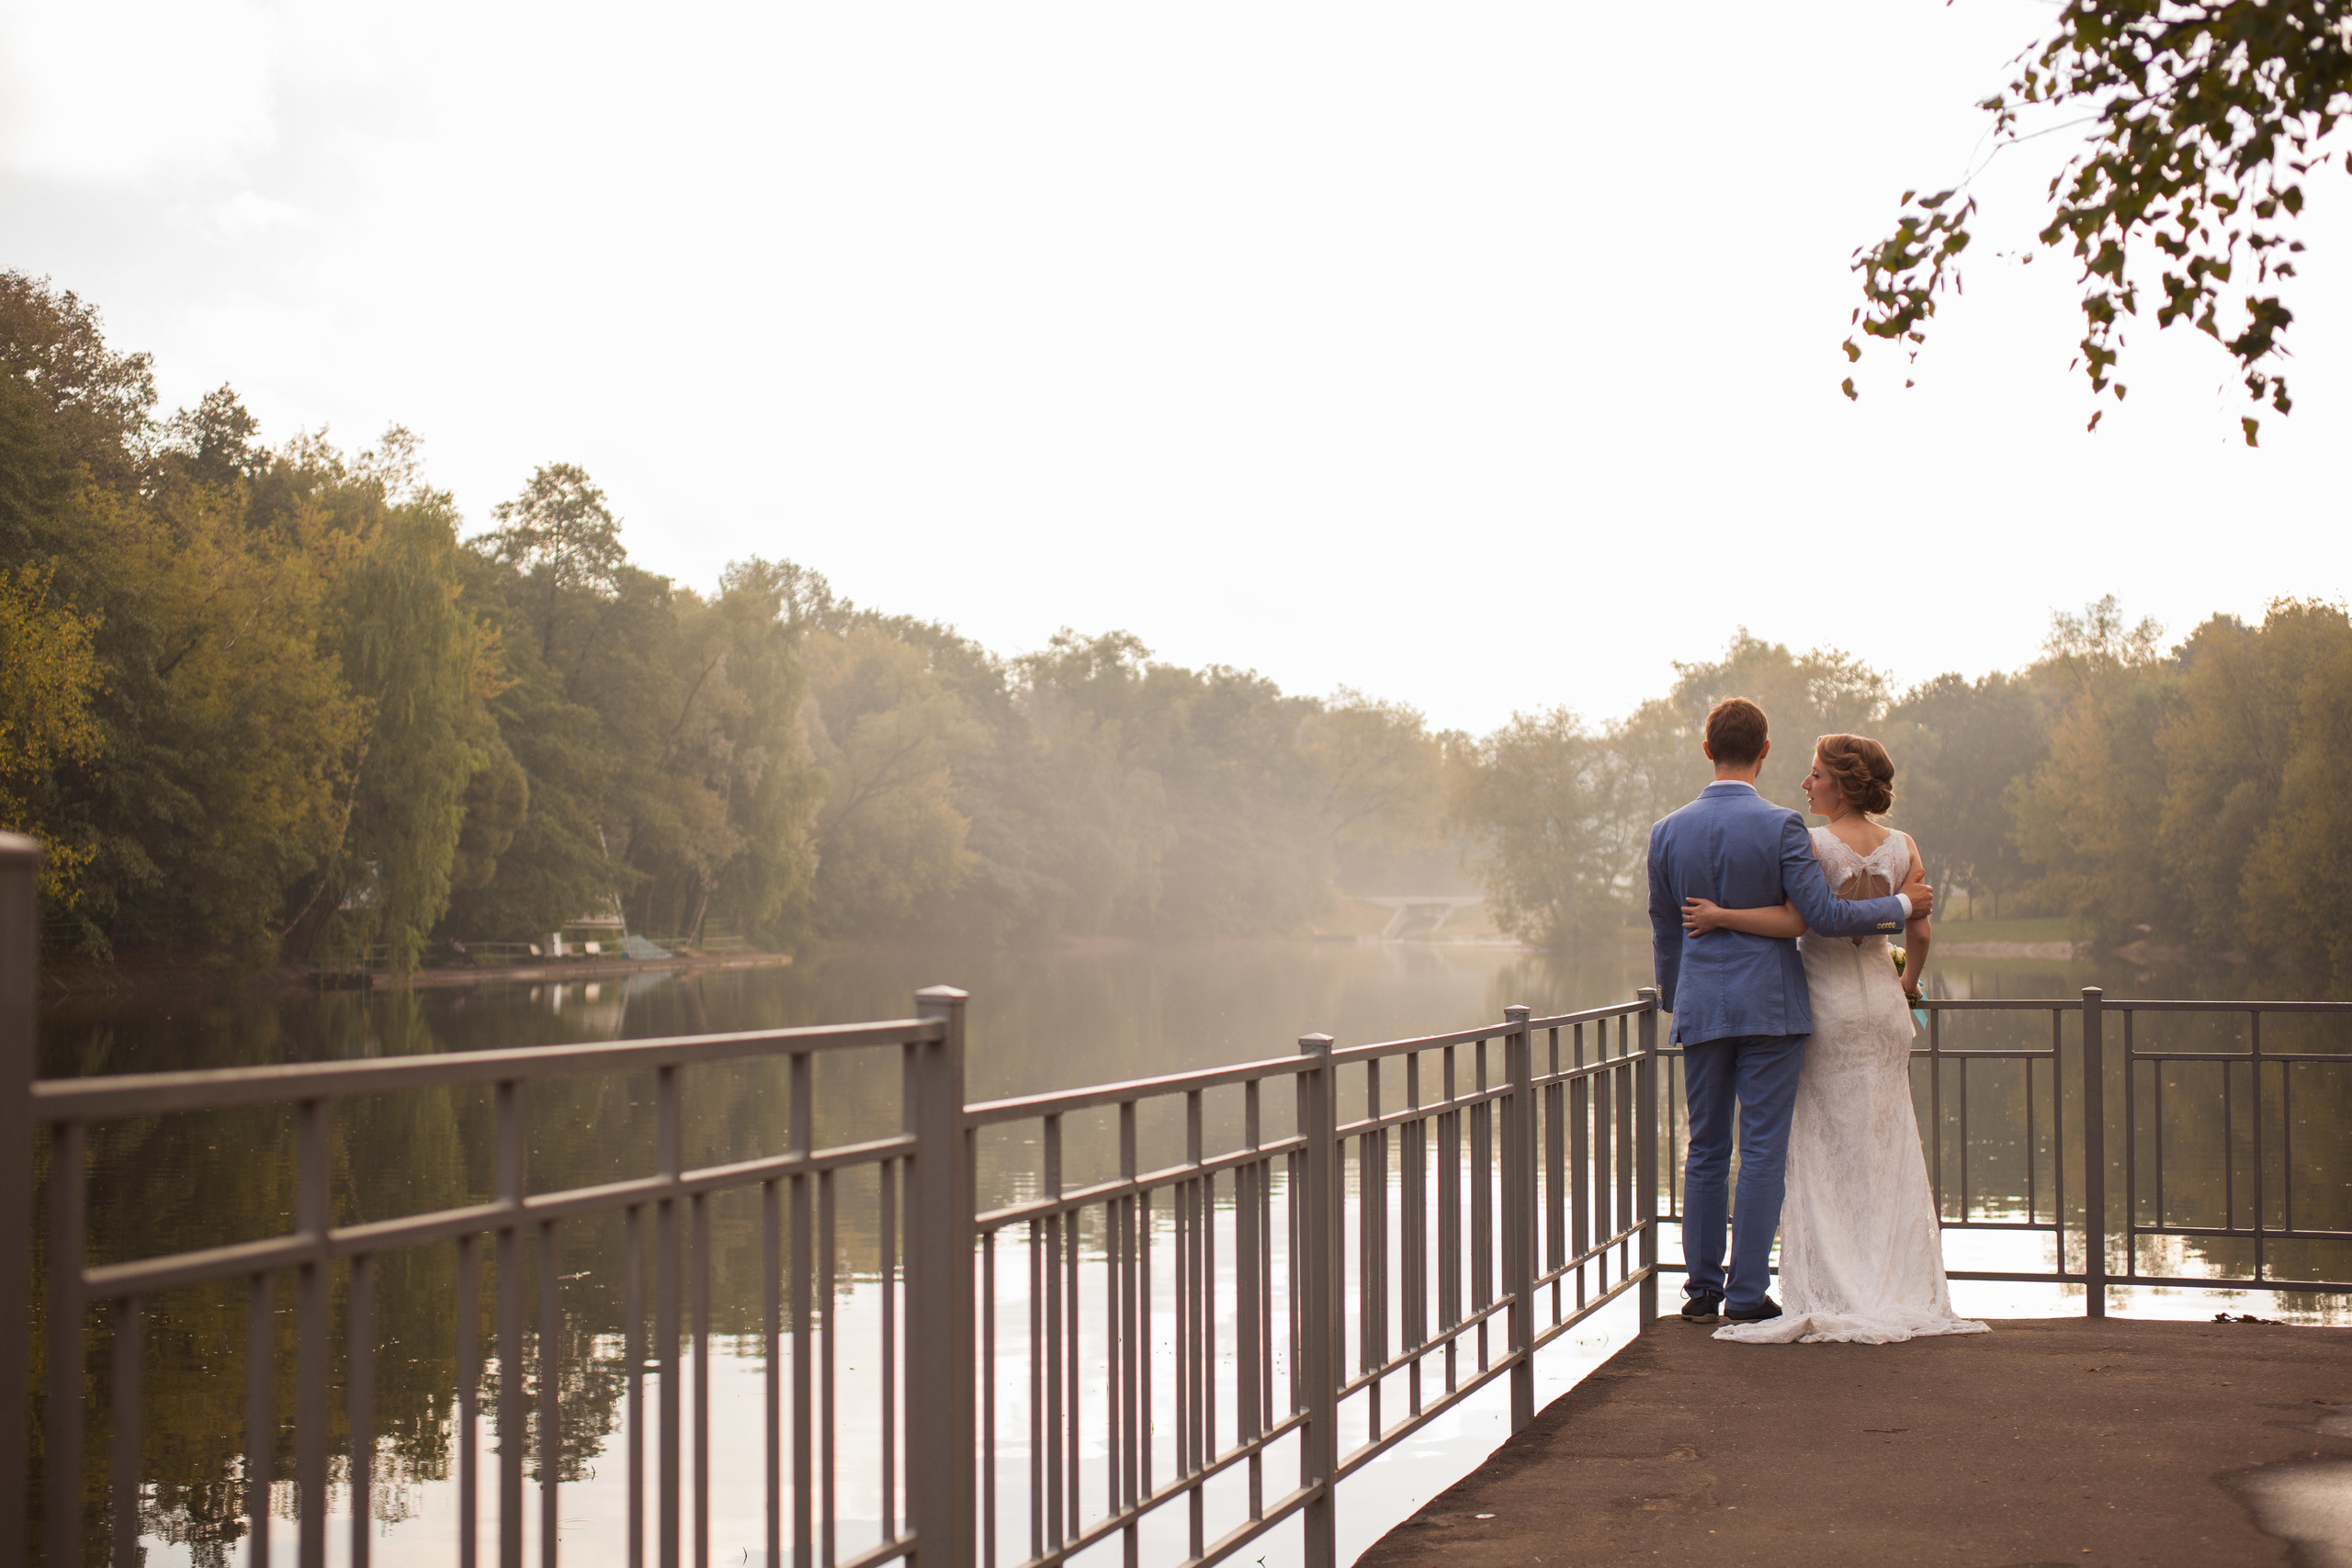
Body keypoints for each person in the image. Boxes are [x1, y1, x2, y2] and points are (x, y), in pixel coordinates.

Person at [1678, 731, 1989, 1344]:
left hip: (1826, 1006)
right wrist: (1910, 986)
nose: (1806, 782)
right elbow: (1920, 933)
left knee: (1820, 1146)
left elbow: (1799, 920)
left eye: (1816, 774)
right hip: (1884, 1004)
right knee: (1884, 1143)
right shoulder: (1903, 846)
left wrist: (1718, 916)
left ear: (1840, 783)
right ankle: (1893, 1280)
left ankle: (1833, 1283)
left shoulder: (1810, 843)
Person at [1645, 698, 1925, 1325]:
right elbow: (1822, 917)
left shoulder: (1666, 831)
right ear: (1765, 750)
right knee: (1764, 1149)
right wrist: (1901, 909)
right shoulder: (1781, 826)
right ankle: (1746, 1295)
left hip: (1703, 1006)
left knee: (1707, 1147)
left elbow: (1665, 930)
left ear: (1706, 747)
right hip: (1772, 1008)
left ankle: (1700, 1291)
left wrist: (1676, 995)